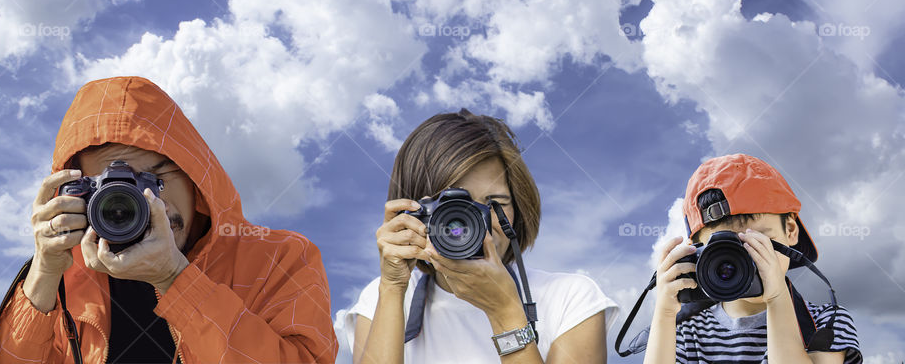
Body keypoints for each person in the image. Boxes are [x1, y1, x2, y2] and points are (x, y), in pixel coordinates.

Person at [0, 76, 337, 364]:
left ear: (197, 176)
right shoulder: (64, 276)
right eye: (108, 188)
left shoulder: (282, 257)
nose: (144, 202)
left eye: (155, 179)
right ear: (76, 191)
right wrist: (42, 276)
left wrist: (176, 279)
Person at [341, 109, 618, 363]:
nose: (473, 224)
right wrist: (392, 288)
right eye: (451, 208)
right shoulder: (380, 300)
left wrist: (506, 312)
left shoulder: (572, 299)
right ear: (412, 212)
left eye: (494, 202)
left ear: (519, 209)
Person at [644, 153, 862, 363]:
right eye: (726, 249)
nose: (747, 260)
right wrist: (664, 315)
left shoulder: (826, 323)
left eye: (759, 241)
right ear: (698, 254)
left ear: (791, 230)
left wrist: (778, 298)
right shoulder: (688, 332)